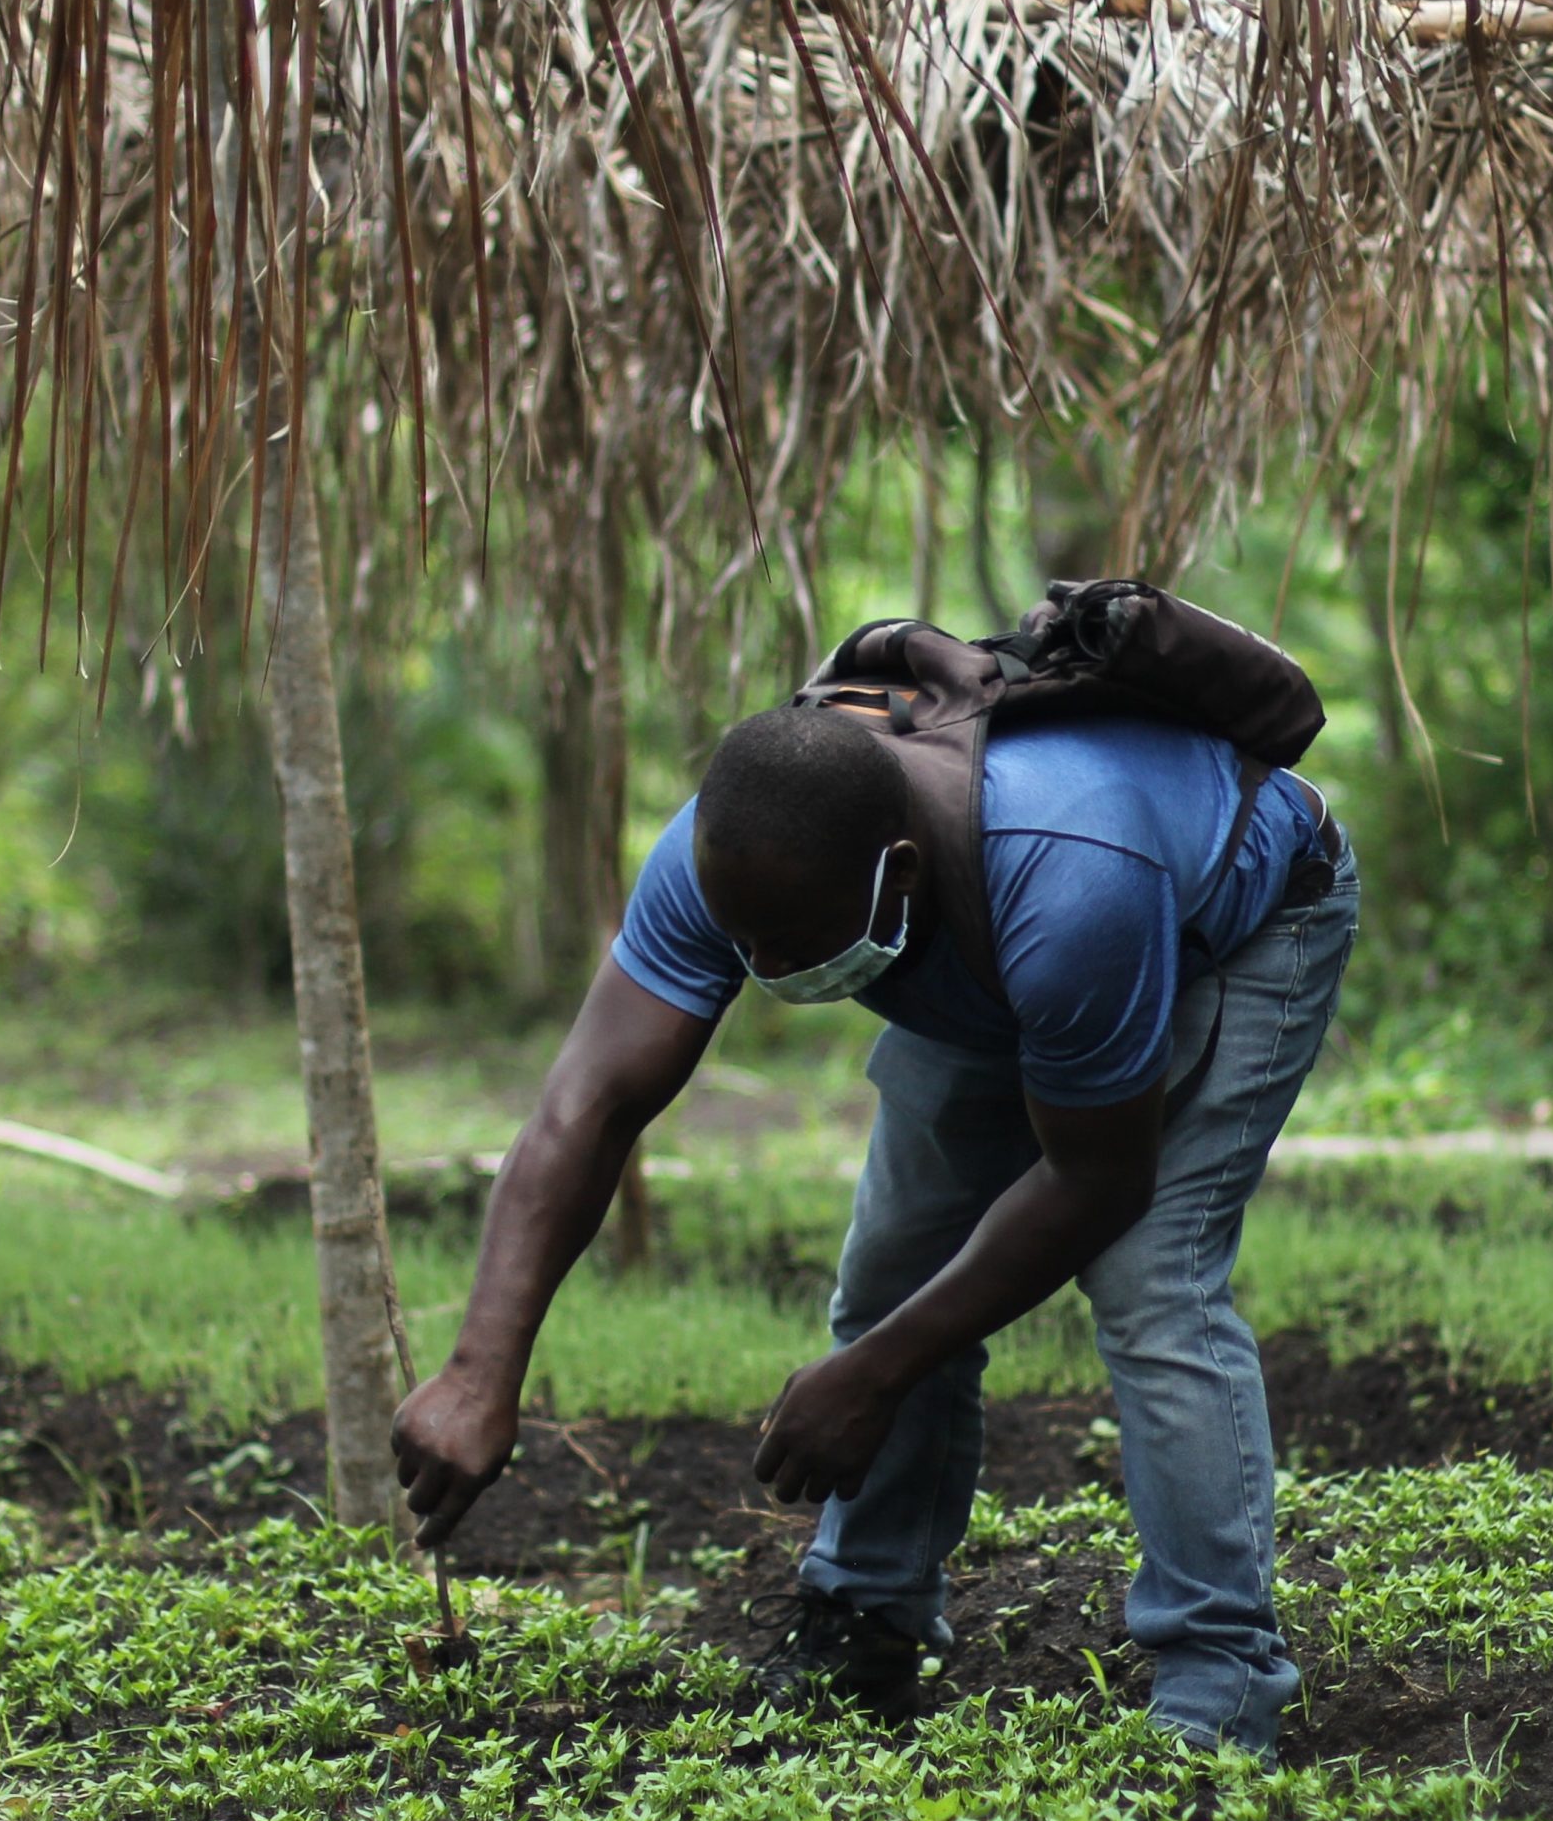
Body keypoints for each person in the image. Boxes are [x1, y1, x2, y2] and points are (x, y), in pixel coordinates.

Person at [390, 603, 1358, 1762]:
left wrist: (875, 1373)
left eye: (798, 942)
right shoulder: (732, 849)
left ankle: (1219, 1669)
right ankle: (864, 1621)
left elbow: (1097, 1181)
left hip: (1232, 921)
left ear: (895, 872)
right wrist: (477, 1370)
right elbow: (584, 1106)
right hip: (980, 953)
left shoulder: (1075, 878)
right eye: (750, 945)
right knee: (893, 1269)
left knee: (1153, 1285)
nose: (775, 970)